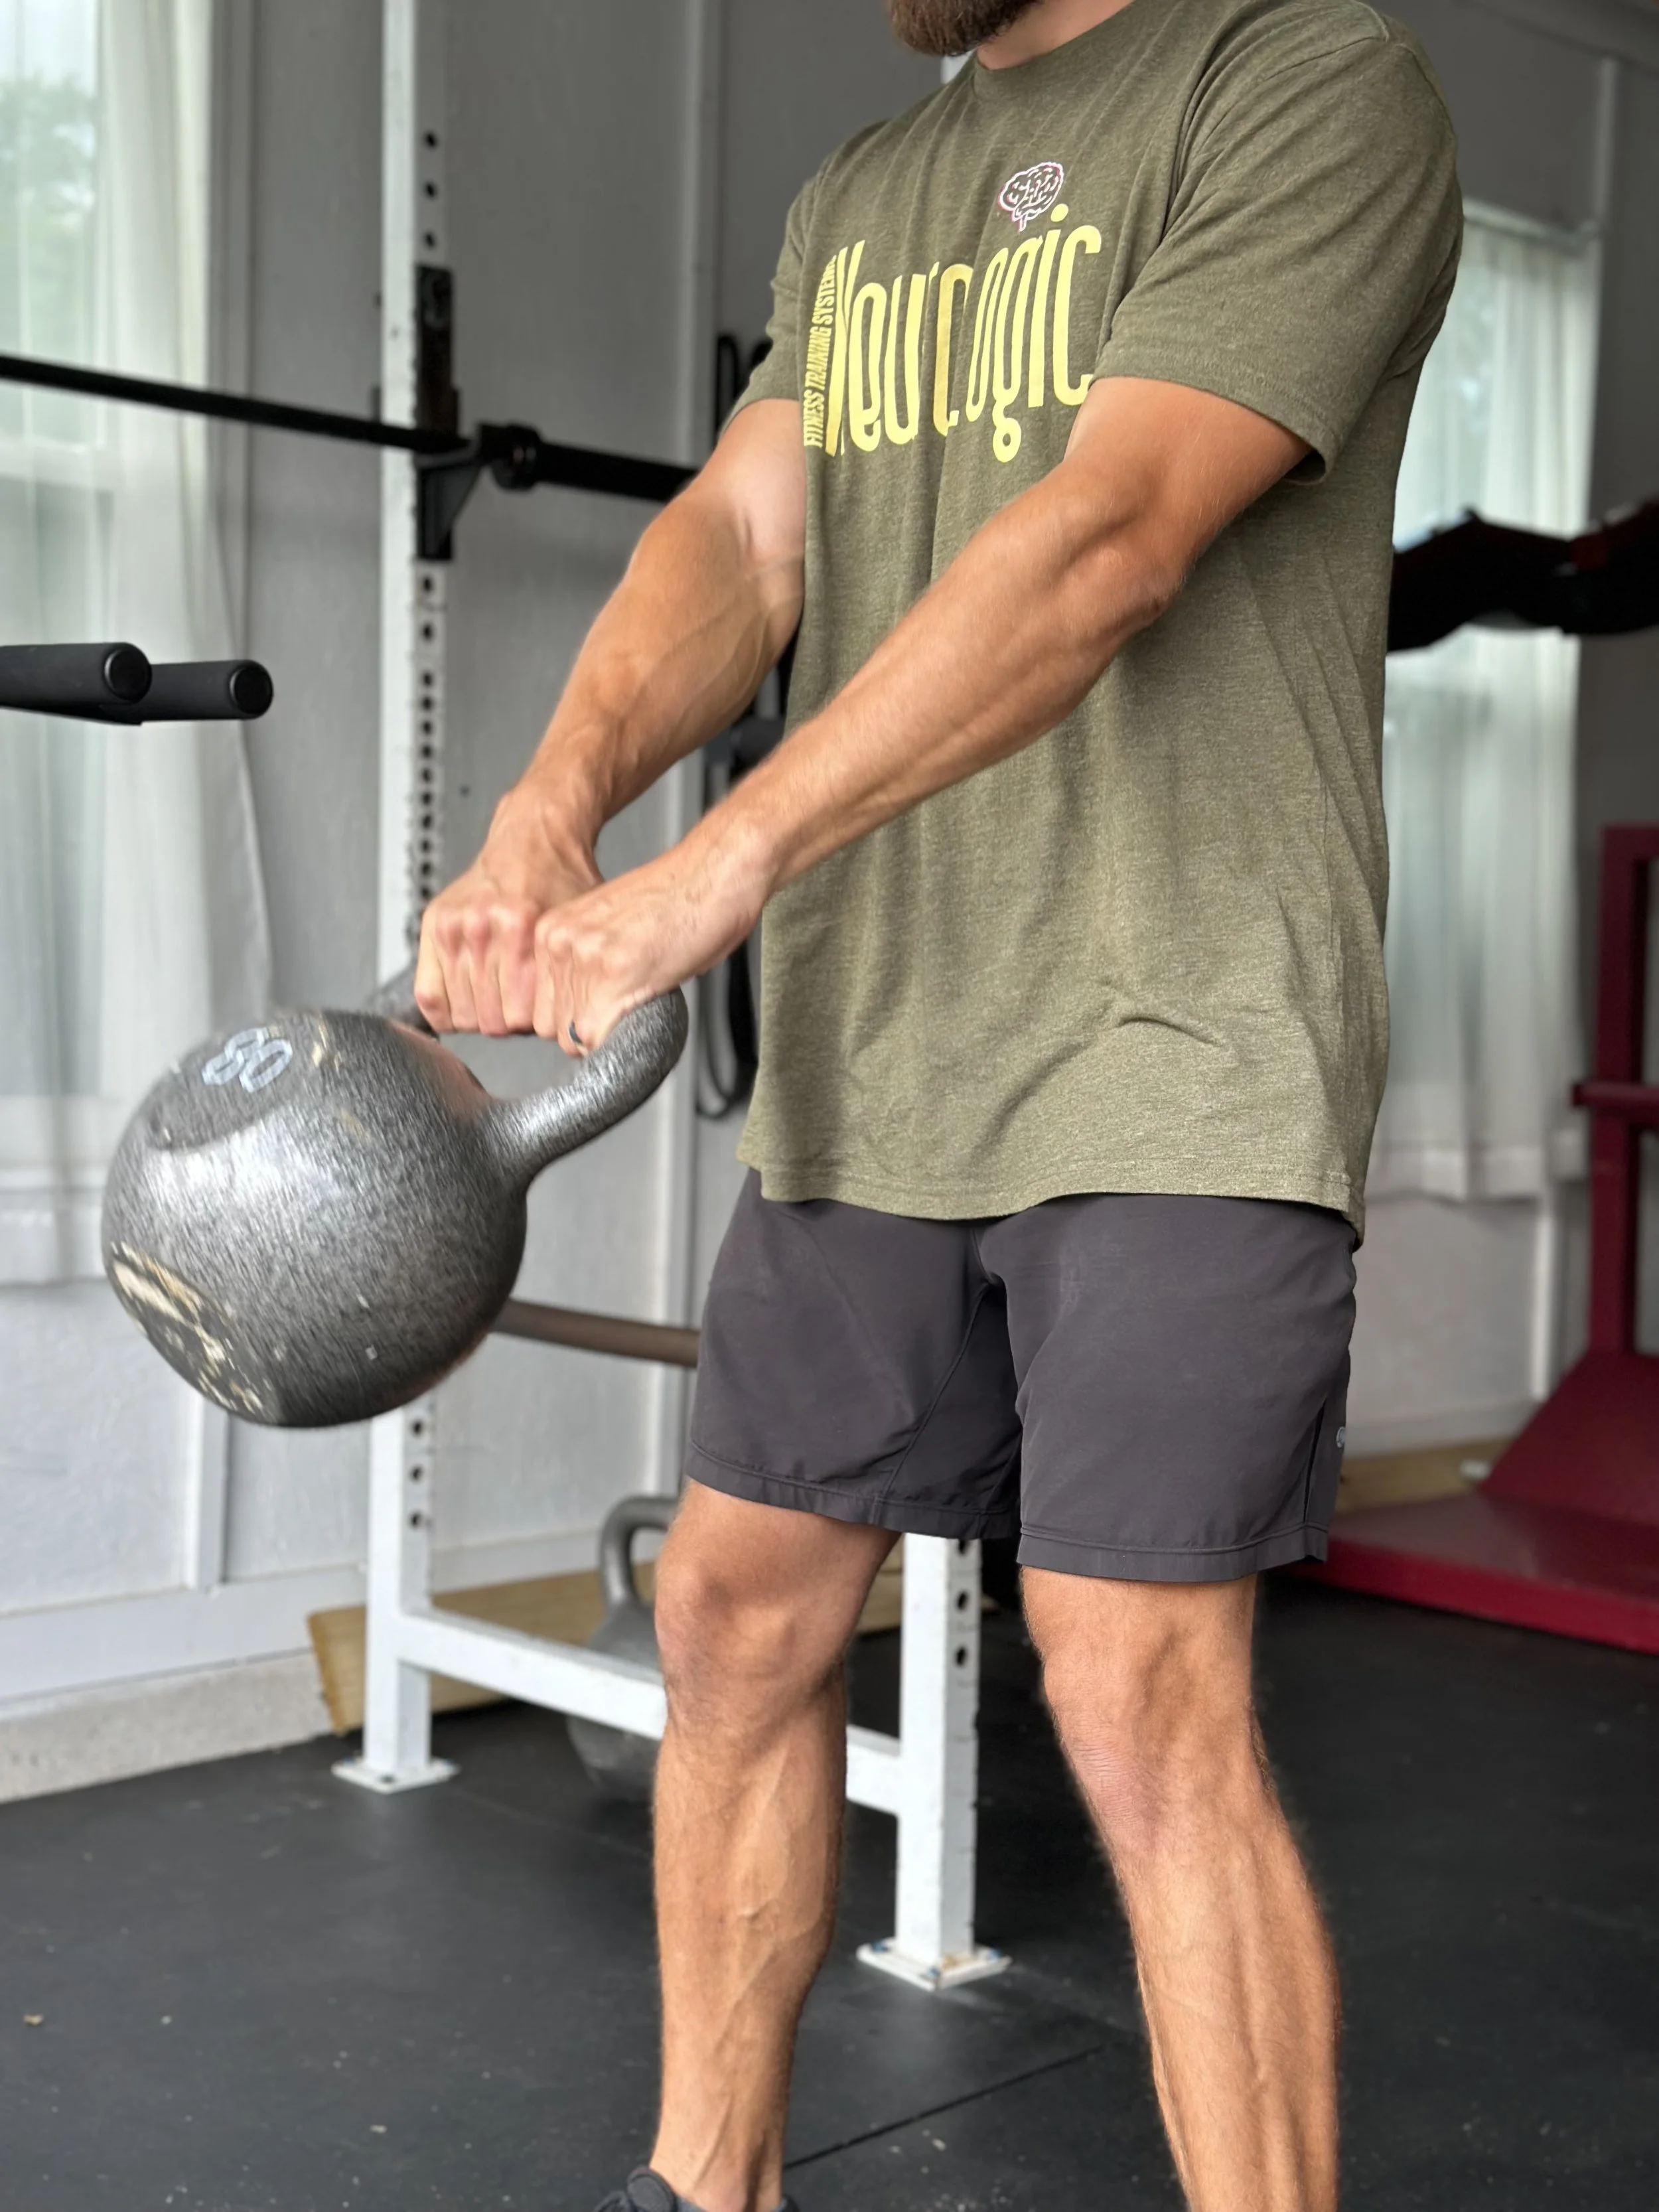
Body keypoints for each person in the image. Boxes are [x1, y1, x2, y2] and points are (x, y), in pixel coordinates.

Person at [415, 0, 1461, 2204]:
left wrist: (718, 865)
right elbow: (737, 539)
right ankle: (705, 2183)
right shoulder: (864, 197)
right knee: (730, 1611)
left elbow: (1111, 542)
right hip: (887, 1043)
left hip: (1175, 1034)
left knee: (1132, 1691)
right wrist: (553, 805)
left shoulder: (1295, 81)